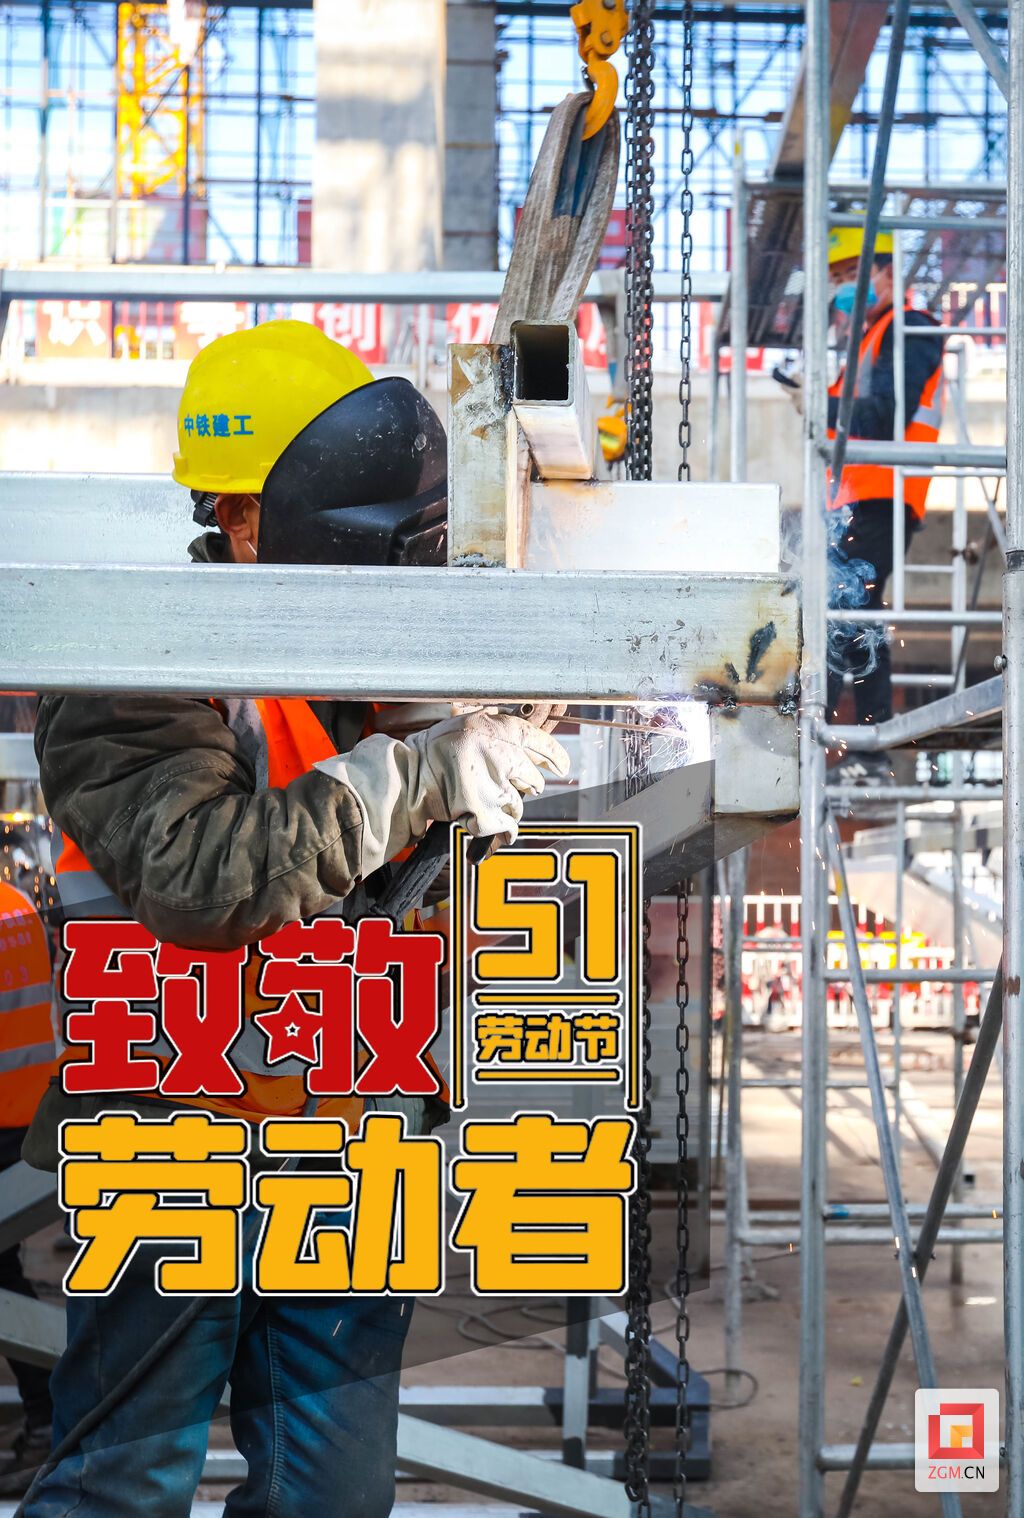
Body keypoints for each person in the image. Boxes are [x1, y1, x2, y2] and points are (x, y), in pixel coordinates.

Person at [21, 321, 570, 1518]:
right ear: (246, 517)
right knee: (125, 1481)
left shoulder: (353, 647)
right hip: (173, 1134)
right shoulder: (123, 666)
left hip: (345, 1136)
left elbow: (395, 852)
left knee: (332, 1499)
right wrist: (420, 776)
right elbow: (202, 880)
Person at [778, 226, 945, 783]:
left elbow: (881, 415)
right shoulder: (872, 337)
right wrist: (819, 398)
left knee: (851, 607)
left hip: (886, 494)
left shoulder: (909, 328)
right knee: (847, 608)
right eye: (838, 280)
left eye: (852, 275)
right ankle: (853, 741)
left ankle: (858, 741)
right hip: (857, 497)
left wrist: (823, 406)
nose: (843, 290)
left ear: (888, 271)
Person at [0, 879, 55, 1496]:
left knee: (4, 1278)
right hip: (23, 1114)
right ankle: (43, 1419)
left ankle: (44, 1420)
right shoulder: (15, 903)